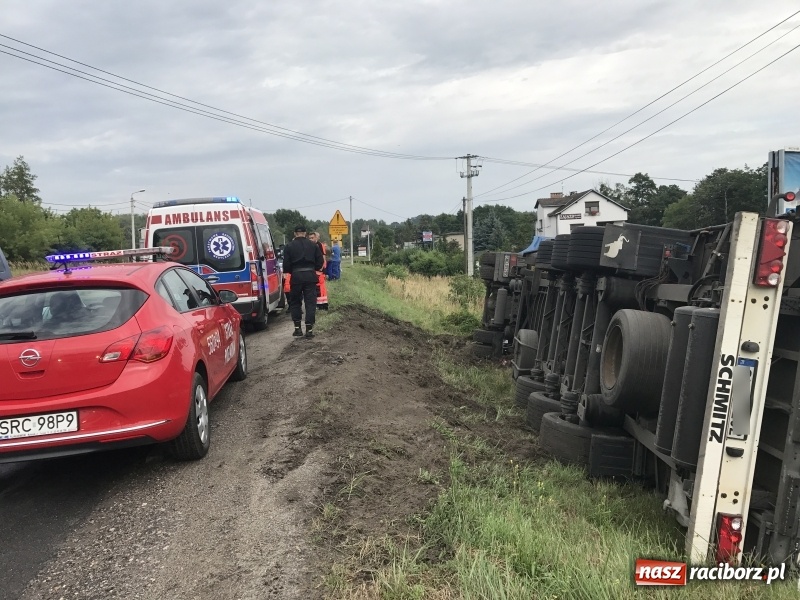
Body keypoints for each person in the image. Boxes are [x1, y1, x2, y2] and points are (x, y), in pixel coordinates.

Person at [282, 225, 323, 338]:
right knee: (310, 303)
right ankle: (309, 330)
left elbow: (286, 264)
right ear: (305, 233)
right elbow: (320, 262)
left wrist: (291, 271)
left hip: (296, 277)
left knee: (295, 302)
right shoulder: (313, 245)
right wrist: (313, 268)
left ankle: (297, 329)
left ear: (295, 233)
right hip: (310, 276)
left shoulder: (289, 246)